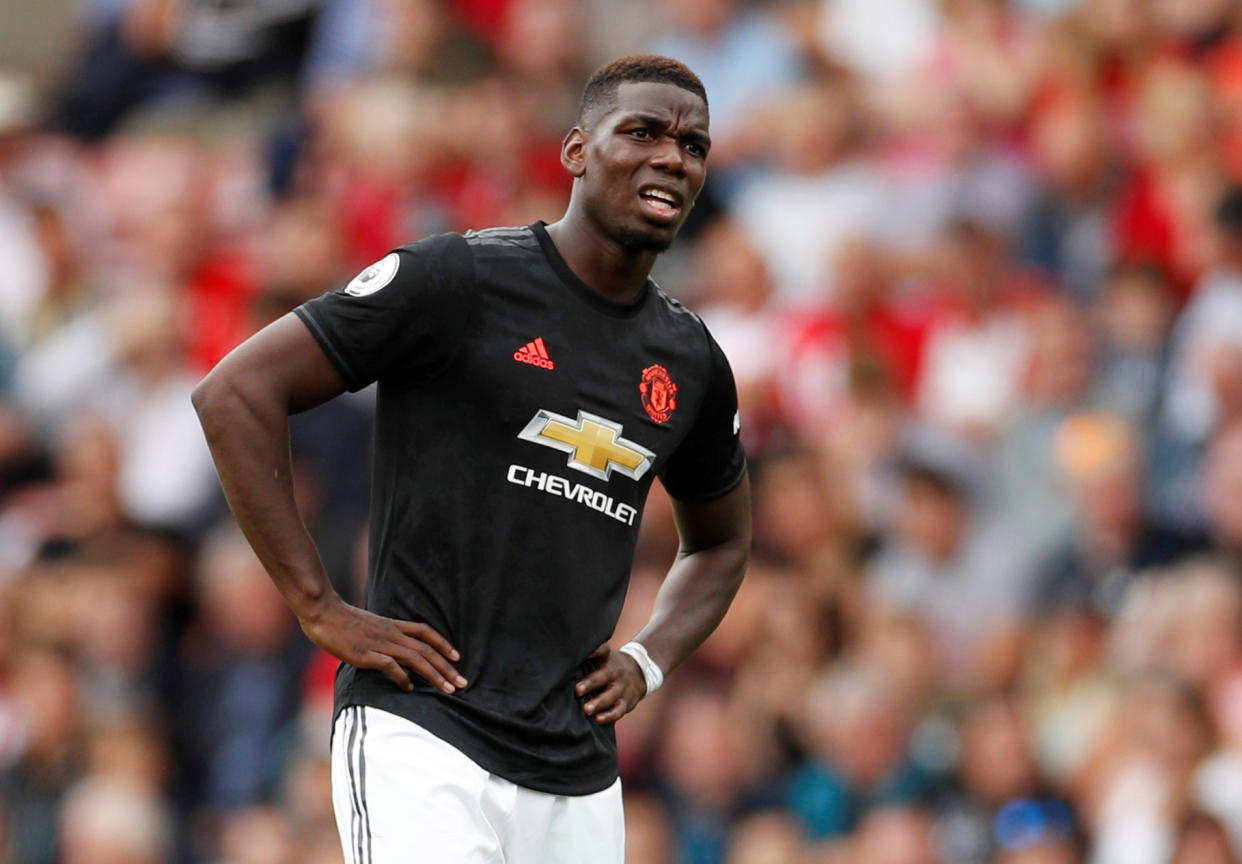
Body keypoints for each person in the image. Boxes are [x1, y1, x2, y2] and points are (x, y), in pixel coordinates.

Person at [191, 54, 751, 864]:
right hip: (423, 736)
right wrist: (318, 604)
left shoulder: (689, 358)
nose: (672, 156)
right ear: (575, 151)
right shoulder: (461, 279)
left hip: (578, 773)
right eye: (643, 132)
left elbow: (723, 541)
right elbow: (235, 392)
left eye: (693, 146)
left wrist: (649, 658)